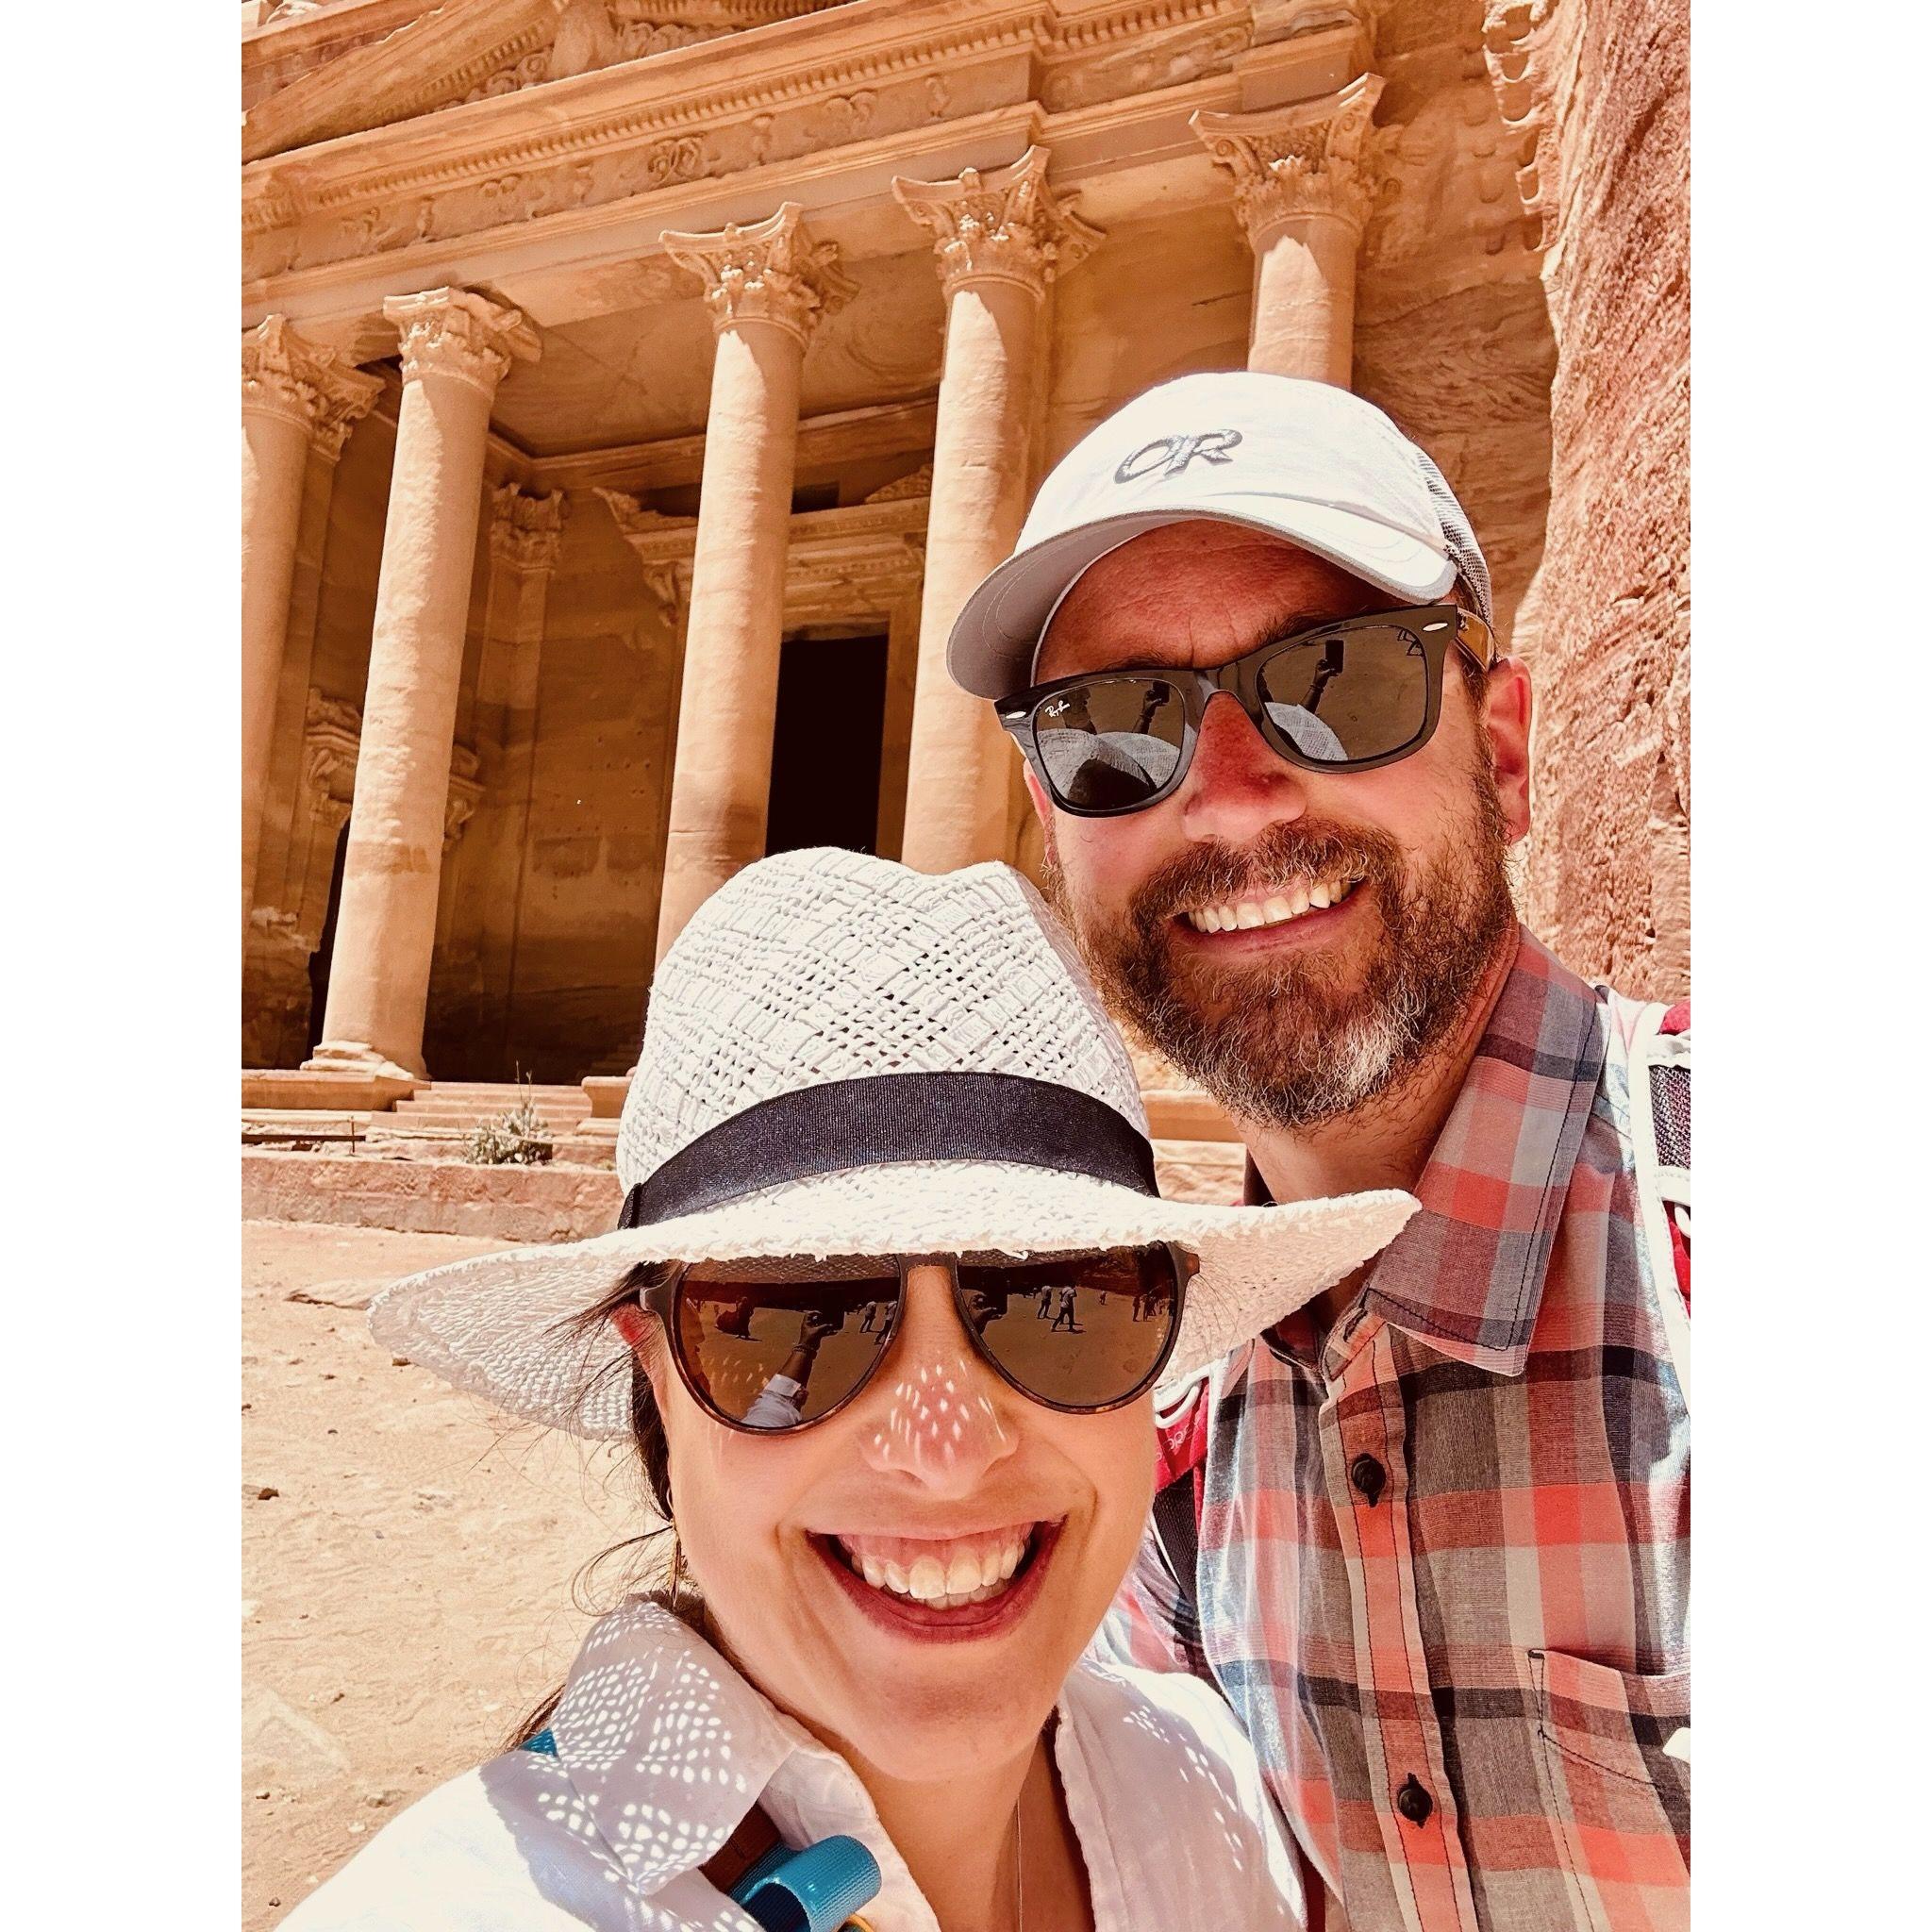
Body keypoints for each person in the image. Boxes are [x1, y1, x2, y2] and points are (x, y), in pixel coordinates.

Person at [279, 844, 1419, 1932]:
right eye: (793, 1325)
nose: (945, 1448)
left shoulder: (1215, 1800)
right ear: (657, 1378)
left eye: (1061, 1306)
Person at [945, 373, 1690, 1932]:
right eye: (1113, 732)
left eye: (1333, 679)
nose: (1224, 798)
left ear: (1500, 750)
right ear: (1051, 818)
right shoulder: (1143, 1409)